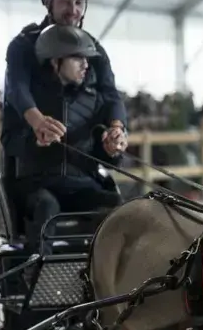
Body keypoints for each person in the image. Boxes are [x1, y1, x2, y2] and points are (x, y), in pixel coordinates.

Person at [2, 0, 126, 182]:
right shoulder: (23, 46)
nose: (73, 10)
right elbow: (17, 89)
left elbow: (110, 94)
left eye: (79, 2)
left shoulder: (94, 50)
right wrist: (38, 121)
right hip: (33, 163)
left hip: (82, 167)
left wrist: (116, 129)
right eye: (65, 1)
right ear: (46, 1)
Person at [8, 23, 128, 248]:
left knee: (116, 206)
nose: (85, 65)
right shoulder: (30, 103)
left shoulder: (95, 101)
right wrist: (35, 142)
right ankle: (38, 276)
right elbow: (10, 143)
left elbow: (106, 157)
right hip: (38, 185)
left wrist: (112, 150)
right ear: (55, 61)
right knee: (46, 207)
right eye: (77, 58)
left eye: (87, 59)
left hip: (81, 184)